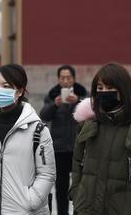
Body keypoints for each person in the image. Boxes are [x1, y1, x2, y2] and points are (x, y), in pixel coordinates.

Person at [70, 63, 131, 214]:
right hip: (87, 209)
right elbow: (77, 164)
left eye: (110, 88)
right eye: (100, 88)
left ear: (123, 89)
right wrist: (77, 194)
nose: (104, 92)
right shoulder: (88, 125)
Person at [0, 64, 56, 214]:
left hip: (25, 210)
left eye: (6, 86)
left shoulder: (37, 130)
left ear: (20, 91)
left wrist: (30, 201)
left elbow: (47, 174)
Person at [40, 64, 87, 215]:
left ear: (73, 79)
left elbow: (91, 114)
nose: (65, 81)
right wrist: (55, 105)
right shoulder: (52, 95)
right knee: (61, 188)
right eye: (62, 78)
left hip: (78, 149)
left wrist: (78, 102)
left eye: (68, 78)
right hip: (59, 150)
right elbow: (44, 116)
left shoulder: (83, 95)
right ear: (58, 79)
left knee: (80, 187)